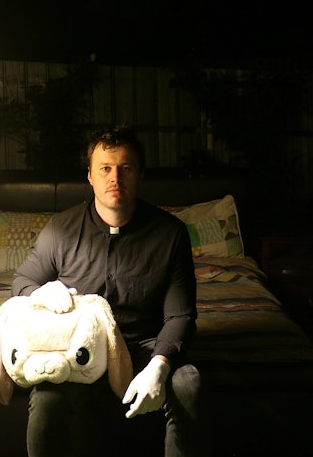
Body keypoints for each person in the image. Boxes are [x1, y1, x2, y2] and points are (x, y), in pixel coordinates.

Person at [12, 125, 208, 457]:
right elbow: (22, 282)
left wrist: (159, 365)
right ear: (90, 176)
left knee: (189, 384)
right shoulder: (61, 228)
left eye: (125, 168)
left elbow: (181, 315)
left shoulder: (170, 233)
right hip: (81, 348)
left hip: (147, 344)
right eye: (105, 168)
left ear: (141, 175)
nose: (115, 177)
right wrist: (39, 292)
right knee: (46, 397)